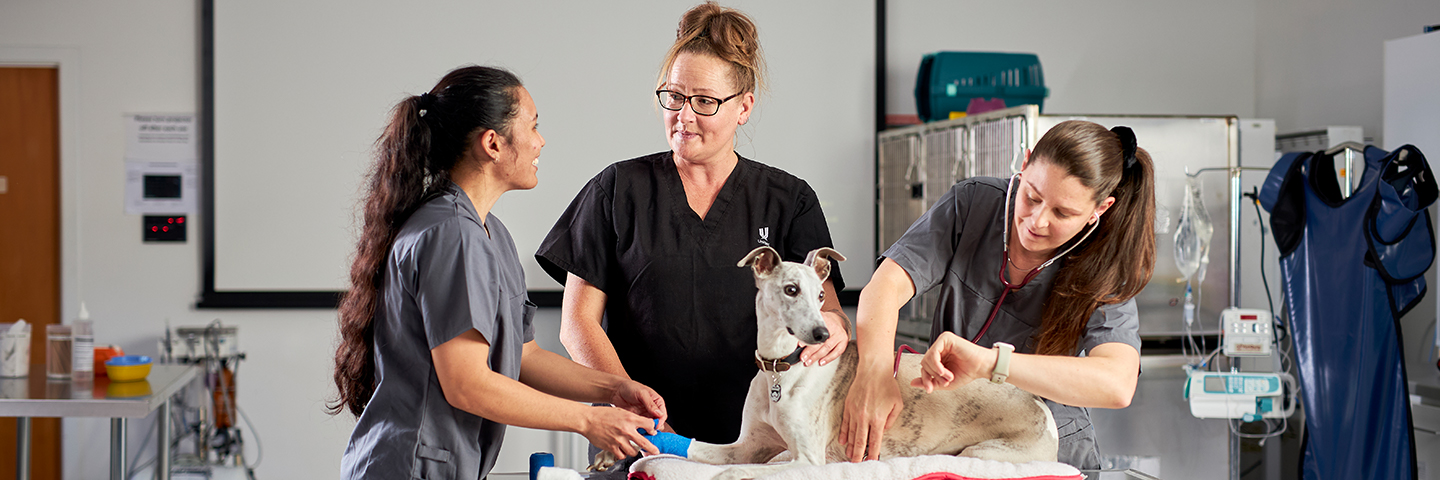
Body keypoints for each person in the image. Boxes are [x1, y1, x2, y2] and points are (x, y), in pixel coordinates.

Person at [330, 66, 667, 480]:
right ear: (492, 143)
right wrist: (587, 421)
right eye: (533, 125)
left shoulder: (492, 234)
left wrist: (614, 390)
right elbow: (467, 383)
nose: (540, 140)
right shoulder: (450, 234)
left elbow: (524, 356)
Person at [536, 2, 849, 446]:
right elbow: (577, 325)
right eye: (674, 97)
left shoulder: (788, 200)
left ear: (744, 107)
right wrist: (634, 408)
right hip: (639, 435)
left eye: (704, 101)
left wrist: (837, 328)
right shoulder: (617, 189)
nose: (683, 115)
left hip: (759, 439)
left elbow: (829, 312)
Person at [841, 120, 1155, 469]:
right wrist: (874, 373)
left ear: (1101, 209)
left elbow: (1117, 383)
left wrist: (992, 364)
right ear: (1024, 163)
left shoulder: (1105, 262)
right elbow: (886, 286)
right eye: (1031, 196)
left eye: (1062, 213)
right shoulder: (974, 203)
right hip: (952, 431)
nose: (1036, 221)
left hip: (1048, 448)